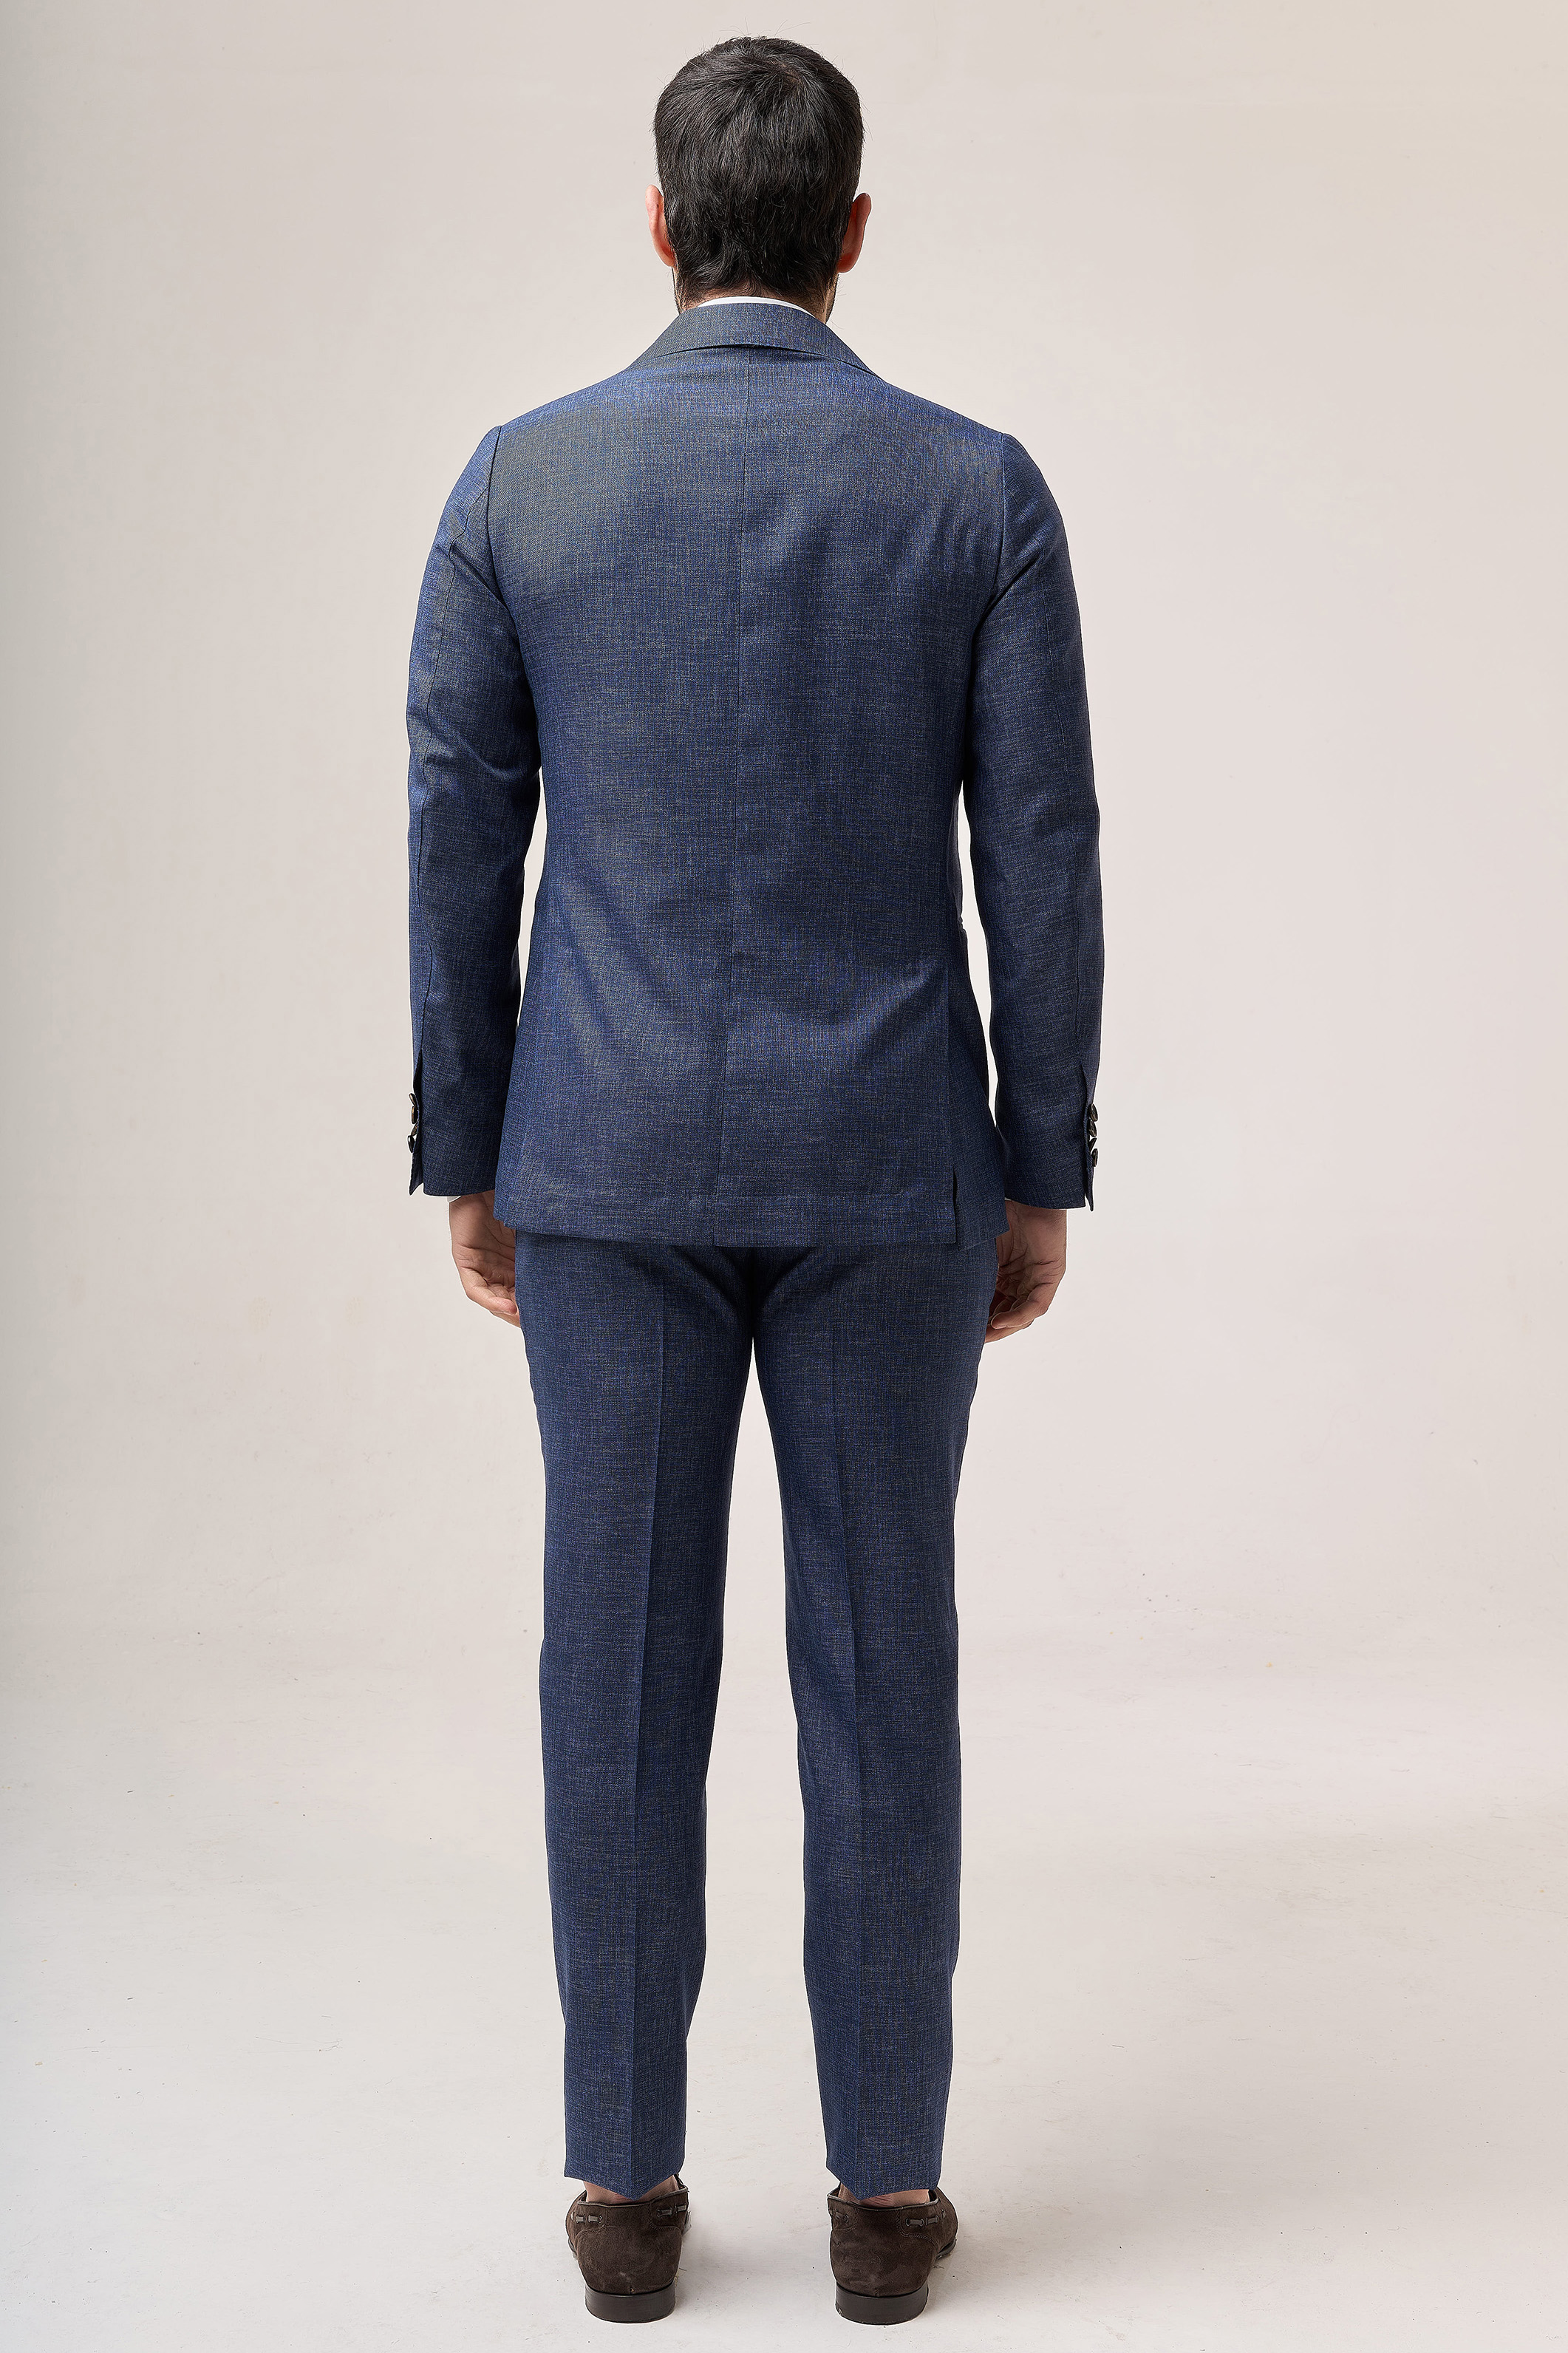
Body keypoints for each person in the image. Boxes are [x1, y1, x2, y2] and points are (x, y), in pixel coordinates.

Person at [406, 33, 1102, 2326]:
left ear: (658, 222)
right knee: (884, 1663)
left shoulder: (523, 483)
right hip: (894, 1163)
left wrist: (467, 1146)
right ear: (852, 232)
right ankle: (885, 2202)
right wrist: (1037, 1163)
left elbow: (456, 838)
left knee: (609, 1670)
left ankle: (623, 2193)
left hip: (599, 1159)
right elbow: (1040, 854)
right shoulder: (972, 491)